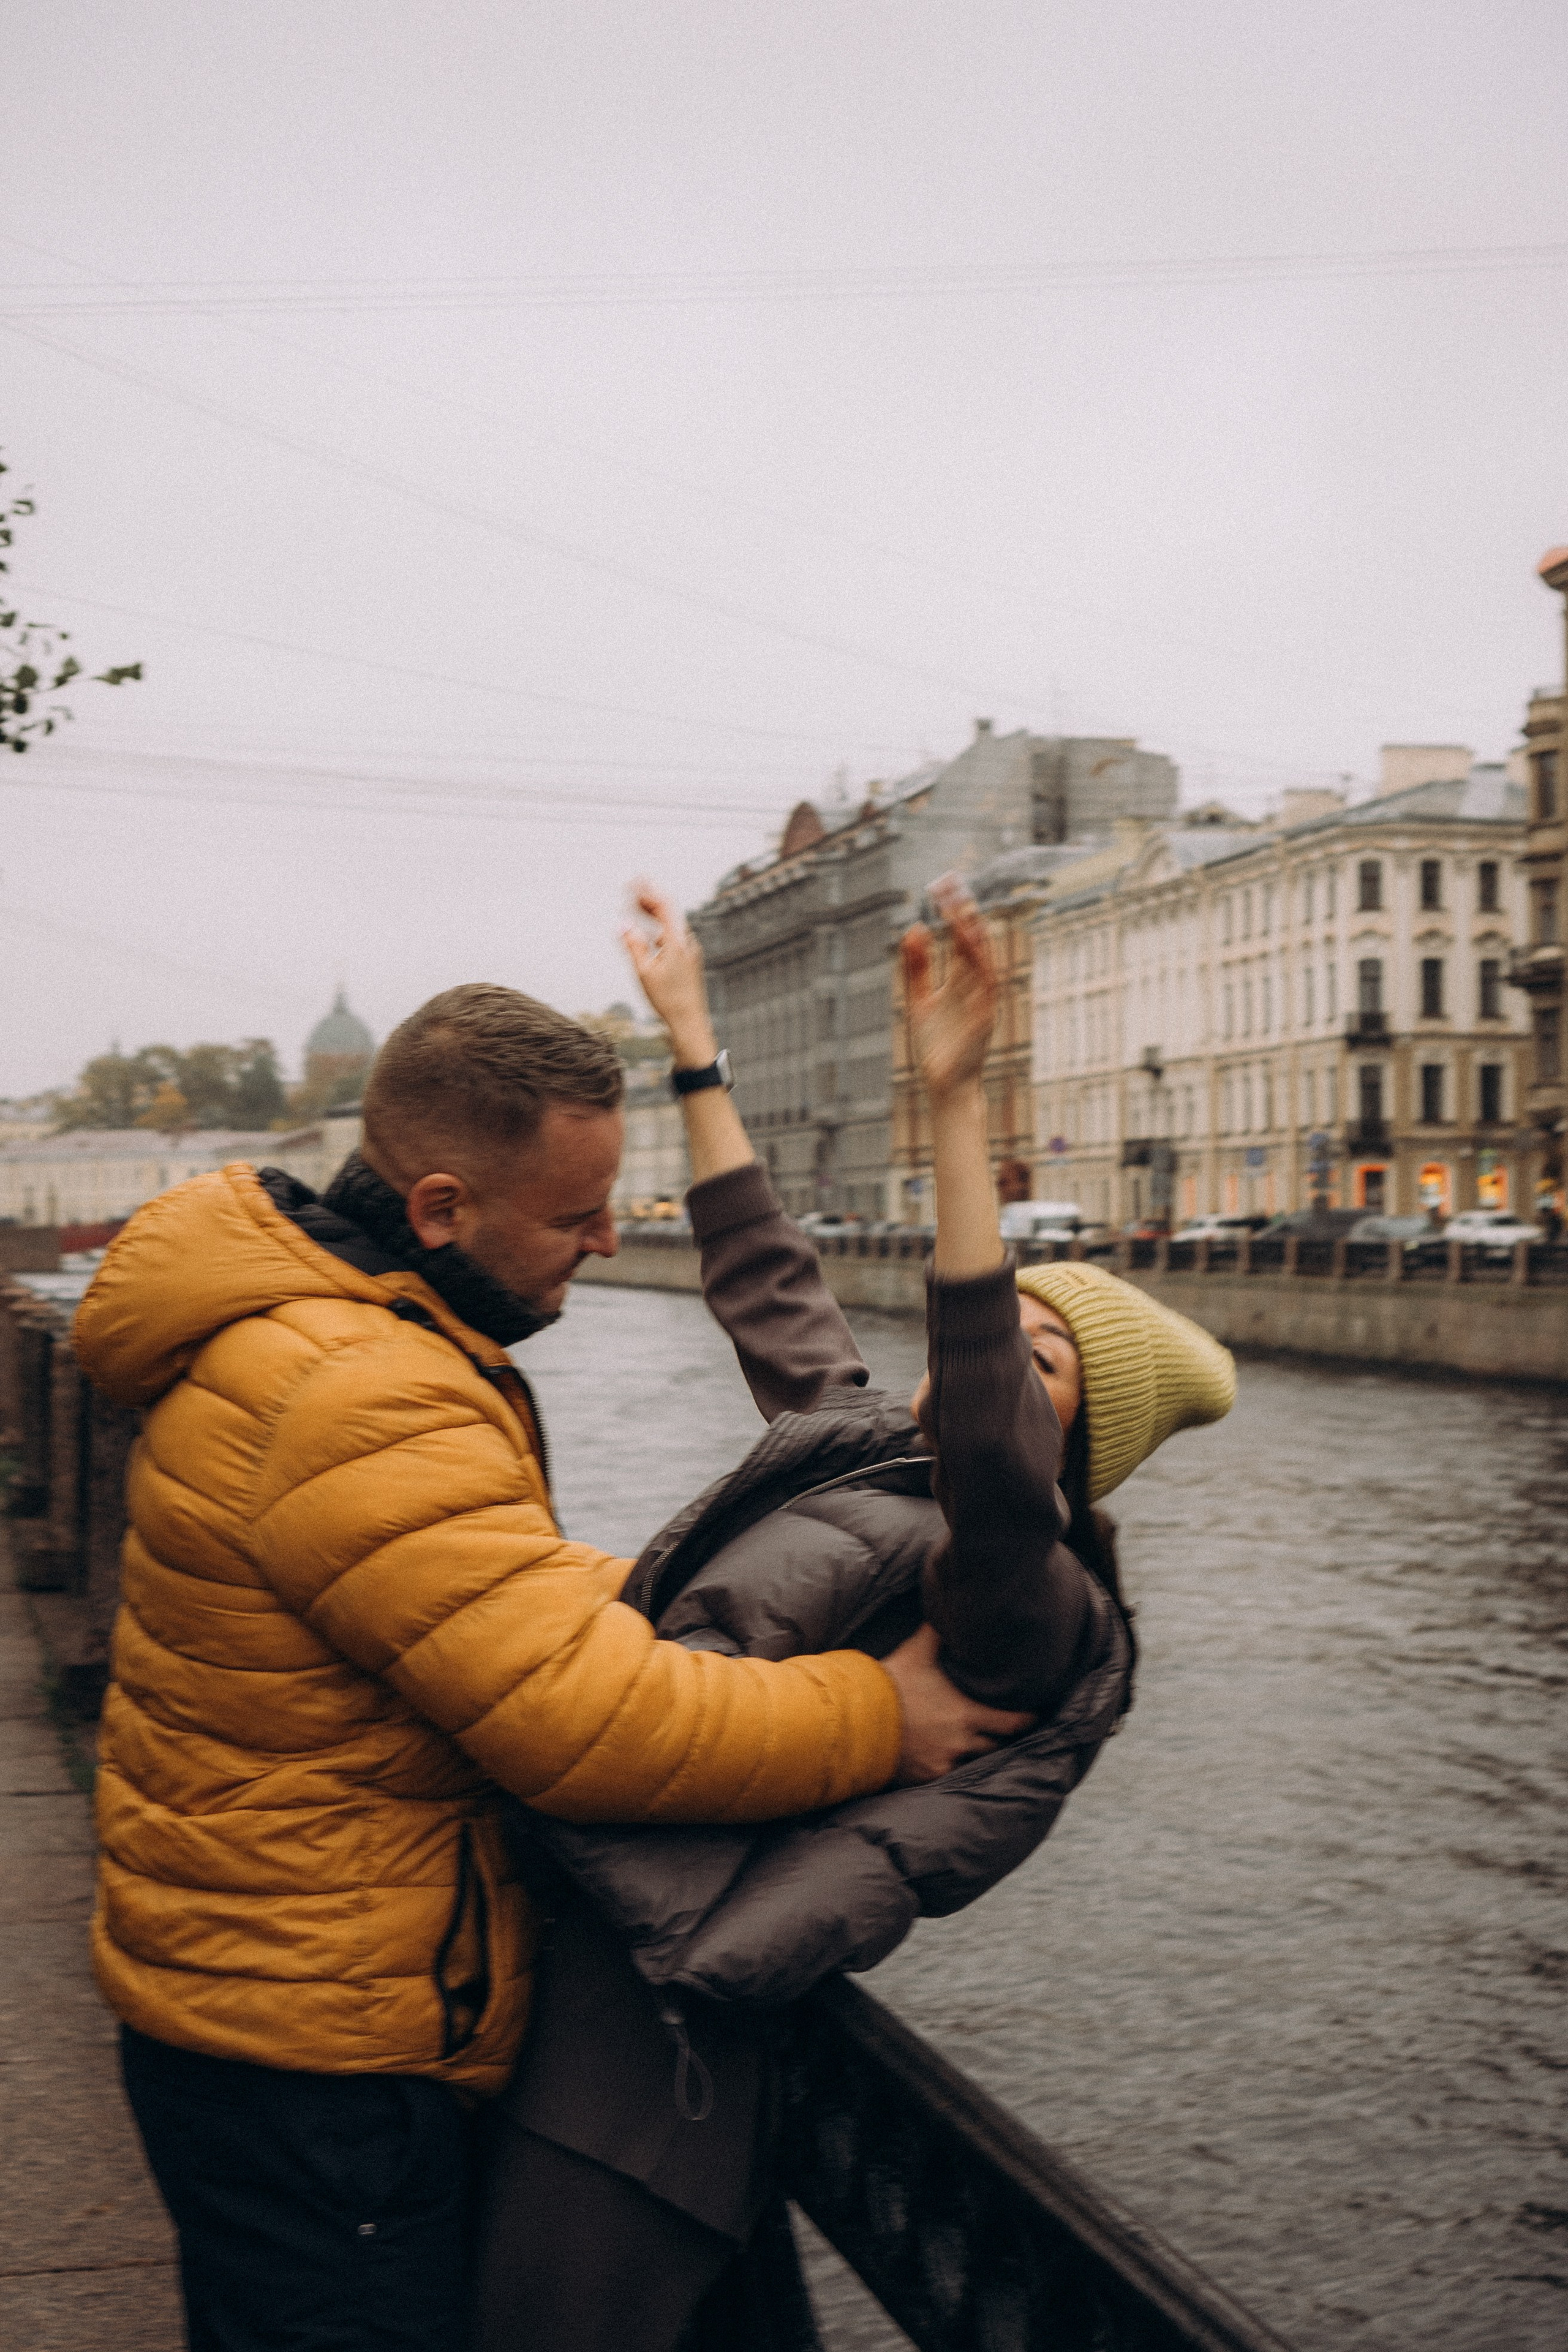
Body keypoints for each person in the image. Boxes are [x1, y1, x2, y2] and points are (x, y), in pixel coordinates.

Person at [72, 981, 1025, 2352]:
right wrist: (879, 1713)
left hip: (270, 1995)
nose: (607, 1236)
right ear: (442, 1208)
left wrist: (648, 1608)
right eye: (577, 1215)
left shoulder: (335, 1334)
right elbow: (585, 1725)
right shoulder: (360, 1390)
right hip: (320, 2053)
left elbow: (462, 1593)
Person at [470, 881, 1235, 2351]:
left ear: (1067, 1451)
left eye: (1043, 1365)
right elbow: (765, 1278)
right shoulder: (873, 1453)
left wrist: (952, 1110)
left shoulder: (1033, 1603)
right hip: (567, 1954)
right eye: (1003, 1335)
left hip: (647, 2056)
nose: (1000, 1362)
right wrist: (691, 1042)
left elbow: (995, 1447)